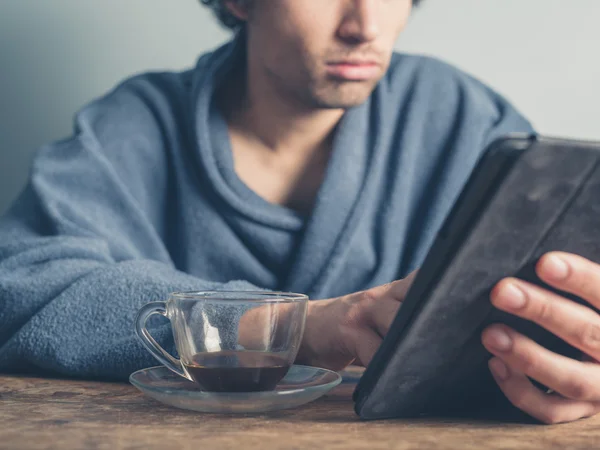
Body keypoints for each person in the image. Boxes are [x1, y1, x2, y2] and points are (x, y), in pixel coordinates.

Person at [0, 0, 599, 424]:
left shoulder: (465, 120)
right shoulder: (136, 126)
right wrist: (292, 329)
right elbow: (23, 283)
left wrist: (572, 356)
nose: (365, 24)